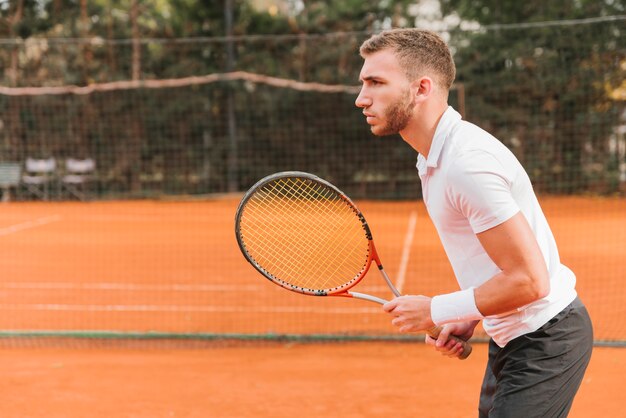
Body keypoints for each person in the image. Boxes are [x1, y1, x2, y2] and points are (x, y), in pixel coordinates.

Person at [355, 28, 593, 417]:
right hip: (515, 337)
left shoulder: (466, 163)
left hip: (546, 338)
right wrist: (467, 315)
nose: (361, 97)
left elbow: (529, 281)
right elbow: (499, 268)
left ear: (421, 88)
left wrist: (437, 309)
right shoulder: (434, 157)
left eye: (375, 82)